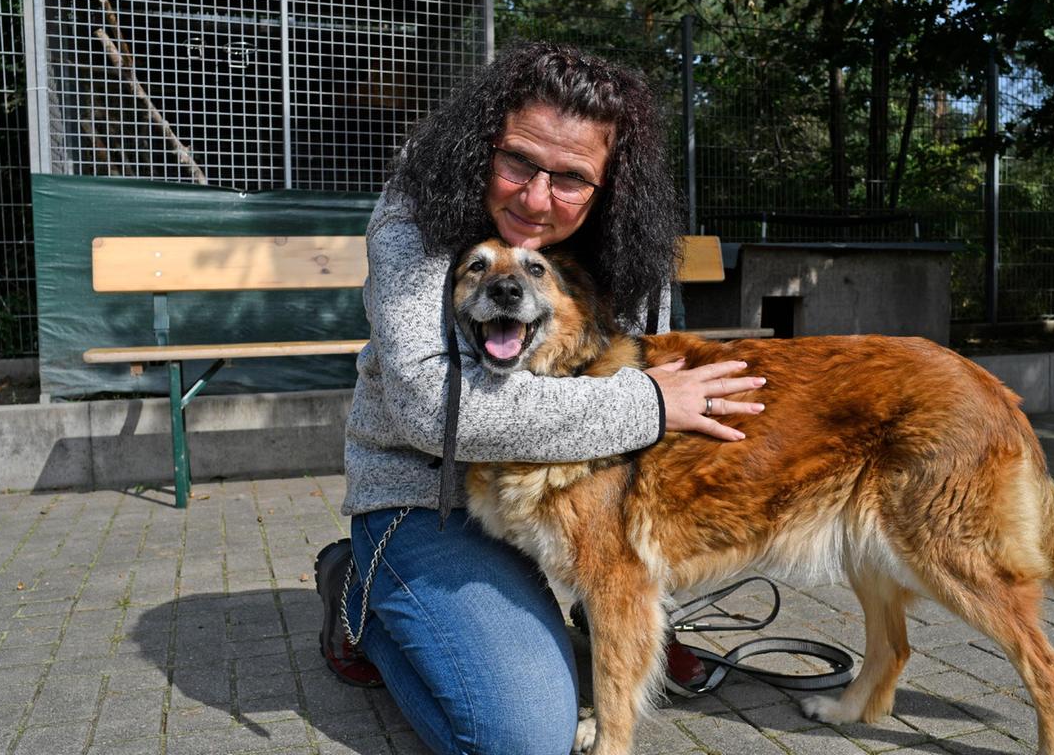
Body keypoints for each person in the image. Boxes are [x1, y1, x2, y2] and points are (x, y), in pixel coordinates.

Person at [315, 41, 765, 755]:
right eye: (517, 161)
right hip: (428, 499)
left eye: (570, 178)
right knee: (521, 737)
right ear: (480, 143)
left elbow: (642, 377)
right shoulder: (415, 218)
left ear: (608, 185)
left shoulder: (629, 242)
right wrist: (645, 405)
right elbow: (438, 412)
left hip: (565, 492)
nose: (533, 198)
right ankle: (361, 594)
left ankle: (556, 618)